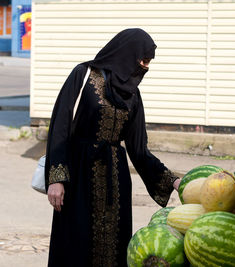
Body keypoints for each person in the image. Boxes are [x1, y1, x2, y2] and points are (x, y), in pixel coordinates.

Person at [44, 28, 181, 267]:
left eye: (148, 63)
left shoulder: (133, 96)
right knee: (76, 244)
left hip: (115, 183)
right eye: (143, 60)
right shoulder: (83, 74)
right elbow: (60, 127)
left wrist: (174, 181)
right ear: (127, 53)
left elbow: (139, 150)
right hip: (78, 177)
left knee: (113, 247)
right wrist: (56, 178)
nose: (145, 67)